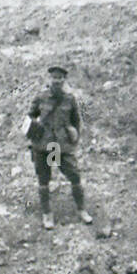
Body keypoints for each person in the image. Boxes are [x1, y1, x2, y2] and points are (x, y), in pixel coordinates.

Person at [26, 64, 93, 230]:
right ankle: (47, 214)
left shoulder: (70, 99)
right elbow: (30, 116)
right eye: (54, 78)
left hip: (60, 147)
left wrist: (74, 137)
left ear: (64, 80)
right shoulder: (41, 97)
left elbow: (76, 121)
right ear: (50, 79)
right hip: (43, 146)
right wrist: (35, 130)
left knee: (74, 176)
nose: (57, 81)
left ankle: (81, 210)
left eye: (60, 78)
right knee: (44, 180)